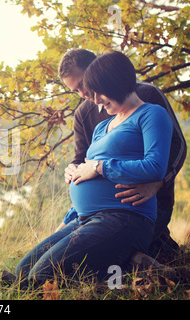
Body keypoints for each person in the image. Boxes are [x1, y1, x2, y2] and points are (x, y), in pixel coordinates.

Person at [12, 51, 174, 288]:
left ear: (114, 83)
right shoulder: (102, 127)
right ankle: (128, 267)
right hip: (86, 218)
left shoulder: (150, 112)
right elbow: (83, 170)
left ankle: (126, 280)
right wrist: (68, 220)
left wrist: (100, 167)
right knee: (22, 270)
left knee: (42, 276)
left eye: (97, 91)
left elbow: (155, 166)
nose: (94, 99)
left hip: (125, 217)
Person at [57, 49, 186, 262]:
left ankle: (149, 253)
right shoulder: (83, 114)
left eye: (81, 85)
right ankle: (138, 257)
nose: (82, 94)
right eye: (75, 90)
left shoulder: (147, 97)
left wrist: (158, 183)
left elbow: (177, 145)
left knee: (102, 251)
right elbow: (83, 158)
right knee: (71, 252)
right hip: (100, 210)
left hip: (144, 200)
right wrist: (73, 170)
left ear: (97, 70)